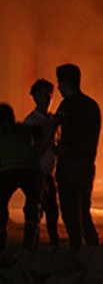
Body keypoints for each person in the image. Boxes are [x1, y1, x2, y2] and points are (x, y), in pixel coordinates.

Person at [55, 63, 100, 250]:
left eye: (59, 82)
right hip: (87, 165)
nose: (58, 87)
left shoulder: (67, 105)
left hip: (70, 166)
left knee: (69, 211)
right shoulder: (92, 106)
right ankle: (92, 247)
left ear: (66, 82)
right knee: (83, 209)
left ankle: (76, 248)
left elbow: (57, 129)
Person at [22, 79, 60, 247]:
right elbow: (34, 151)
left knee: (52, 213)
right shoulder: (31, 122)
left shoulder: (52, 119)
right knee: (34, 212)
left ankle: (52, 247)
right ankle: (30, 248)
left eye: (48, 95)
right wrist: (50, 132)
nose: (45, 98)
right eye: (41, 95)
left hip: (49, 173)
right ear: (35, 98)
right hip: (35, 173)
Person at [0, 104, 42, 250]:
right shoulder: (23, 128)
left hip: (8, 169)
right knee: (32, 205)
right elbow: (40, 134)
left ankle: (1, 240)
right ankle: (30, 241)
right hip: (31, 169)